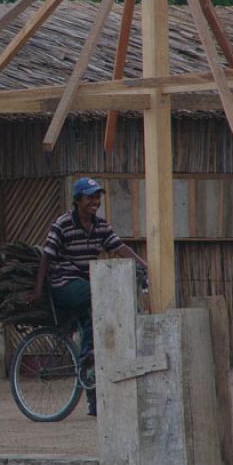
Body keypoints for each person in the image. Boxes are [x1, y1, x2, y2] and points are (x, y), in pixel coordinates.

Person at [29, 177, 147, 416]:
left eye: (97, 197)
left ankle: (93, 397)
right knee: (100, 298)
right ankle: (87, 357)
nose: (95, 201)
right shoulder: (62, 224)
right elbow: (47, 255)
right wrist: (39, 288)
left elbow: (118, 246)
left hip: (87, 286)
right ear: (77, 200)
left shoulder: (101, 226)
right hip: (64, 284)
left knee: (97, 332)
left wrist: (143, 263)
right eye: (90, 197)